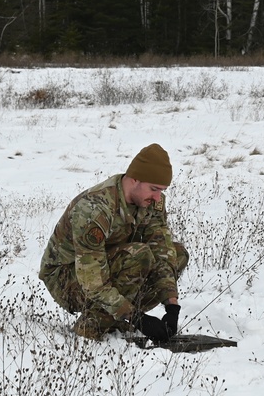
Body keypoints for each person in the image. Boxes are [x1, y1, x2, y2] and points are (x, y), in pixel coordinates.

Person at [39, 143, 188, 343]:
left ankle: (115, 319)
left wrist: (172, 306)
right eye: (154, 189)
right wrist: (137, 318)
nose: (157, 197)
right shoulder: (94, 209)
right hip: (67, 278)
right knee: (138, 256)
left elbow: (162, 249)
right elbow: (91, 280)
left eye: (162, 190)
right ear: (135, 179)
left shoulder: (151, 202)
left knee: (176, 254)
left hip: (107, 266)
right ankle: (91, 326)